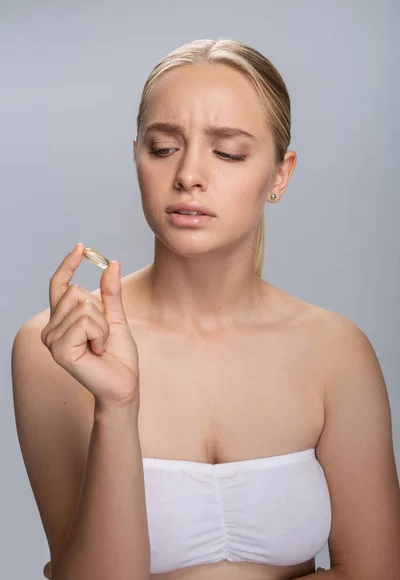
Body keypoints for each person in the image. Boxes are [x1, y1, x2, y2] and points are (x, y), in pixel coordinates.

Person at [12, 38, 400, 580]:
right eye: (164, 147)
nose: (189, 174)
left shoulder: (337, 351)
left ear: (280, 175)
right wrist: (118, 406)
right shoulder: (56, 347)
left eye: (228, 152)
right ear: (136, 158)